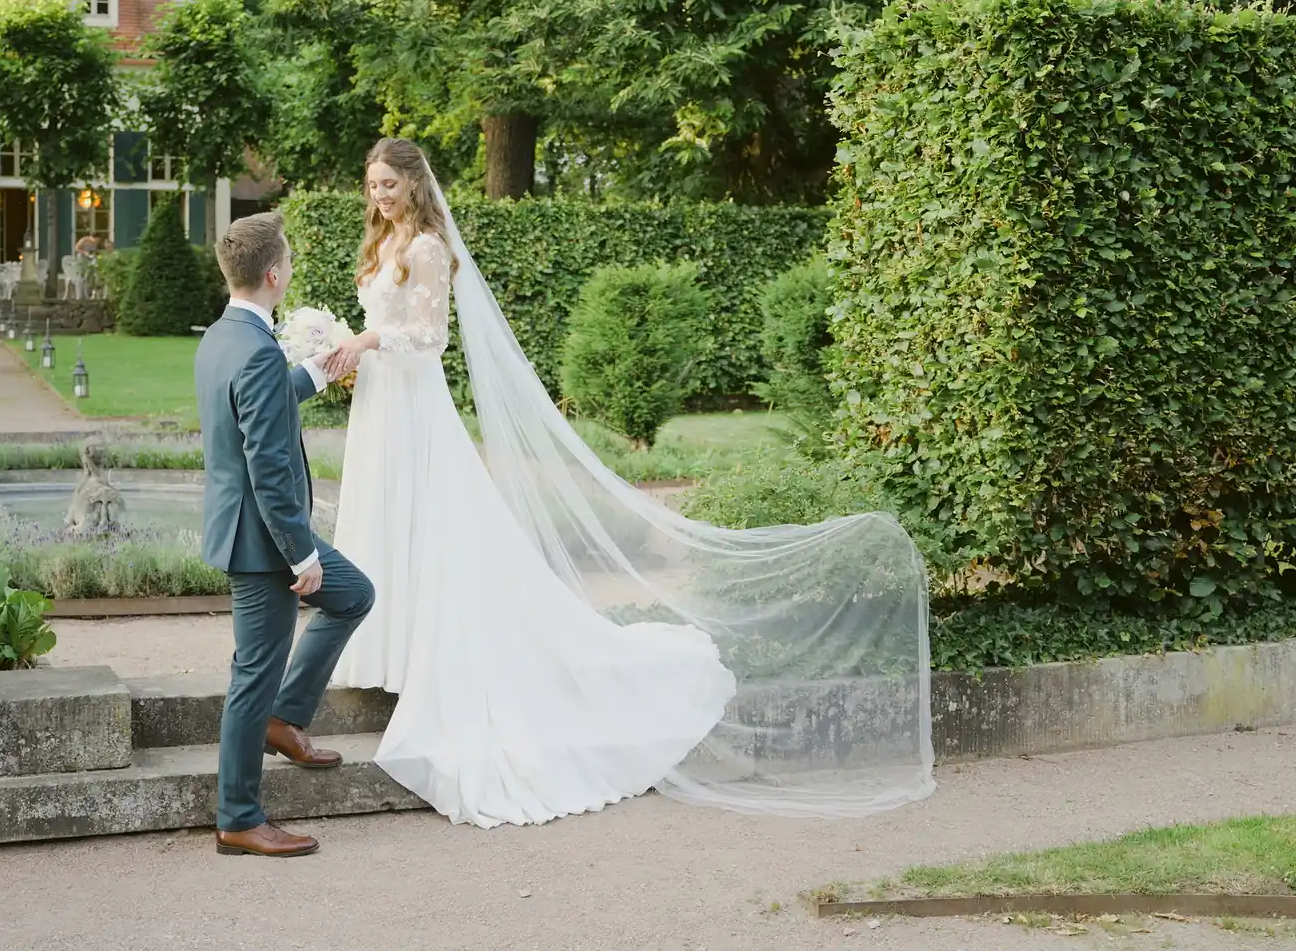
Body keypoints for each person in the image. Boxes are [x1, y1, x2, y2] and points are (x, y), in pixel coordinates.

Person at [315, 139, 936, 828]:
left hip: (416, 406)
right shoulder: (381, 242)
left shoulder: (429, 247)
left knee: (429, 523)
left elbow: (428, 338)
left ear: (414, 184)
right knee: (387, 517)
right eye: (372, 185)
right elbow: (384, 328)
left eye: (389, 184)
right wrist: (351, 352)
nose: (379, 195)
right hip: (381, 405)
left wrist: (364, 342)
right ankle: (387, 646)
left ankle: (426, 653)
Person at [195, 212, 375, 856]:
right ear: (274, 274)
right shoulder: (258, 350)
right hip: (264, 542)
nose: (291, 269)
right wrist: (301, 556)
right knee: (253, 673)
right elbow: (269, 470)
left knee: (353, 594)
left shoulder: (223, 337)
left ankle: (285, 717)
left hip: (252, 529)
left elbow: (257, 402)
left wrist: (316, 372)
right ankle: (239, 818)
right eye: (290, 260)